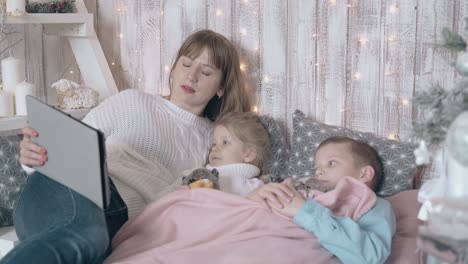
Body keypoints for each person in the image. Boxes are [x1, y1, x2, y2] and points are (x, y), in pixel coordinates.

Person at [2, 29, 251, 264]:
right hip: (66, 189)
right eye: (186, 64)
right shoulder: (130, 101)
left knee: (92, 242)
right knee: (88, 235)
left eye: (206, 72)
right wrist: (31, 156)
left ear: (221, 87)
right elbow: (72, 148)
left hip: (119, 222)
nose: (191, 76)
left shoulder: (215, 138)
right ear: (174, 69)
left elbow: (234, 180)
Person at [248, 136, 396, 264]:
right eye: (316, 168)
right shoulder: (303, 186)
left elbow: (370, 257)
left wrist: (304, 210)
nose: (318, 171)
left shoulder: (373, 205)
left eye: (331, 163)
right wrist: (254, 197)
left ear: (364, 174)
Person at [180, 111, 271, 197]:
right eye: (214, 143)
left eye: (225, 142)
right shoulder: (198, 174)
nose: (214, 148)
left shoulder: (255, 187)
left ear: (248, 154)